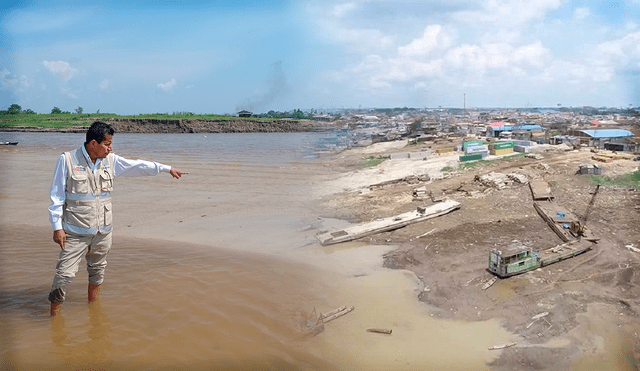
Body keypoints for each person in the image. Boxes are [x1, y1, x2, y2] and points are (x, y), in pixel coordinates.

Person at [47, 121, 188, 316]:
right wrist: (57, 227)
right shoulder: (68, 160)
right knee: (64, 274)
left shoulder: (110, 161)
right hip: (75, 232)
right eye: (107, 144)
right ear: (93, 143)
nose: (110, 148)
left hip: (103, 232)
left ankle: (93, 309)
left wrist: (166, 168)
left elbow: (137, 165)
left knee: (97, 271)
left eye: (111, 144)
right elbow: (57, 197)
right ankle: (54, 318)